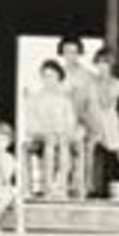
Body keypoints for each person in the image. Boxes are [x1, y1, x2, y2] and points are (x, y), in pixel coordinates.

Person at [22, 59, 78, 198]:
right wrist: (46, 131)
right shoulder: (35, 99)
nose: (48, 80)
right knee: (51, 140)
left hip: (60, 138)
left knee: (61, 141)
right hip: (39, 137)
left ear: (59, 78)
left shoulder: (65, 100)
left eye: (52, 76)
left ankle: (61, 186)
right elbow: (30, 124)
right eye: (45, 76)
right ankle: (48, 187)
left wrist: (63, 132)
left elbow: (70, 123)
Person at [86, 45, 119, 195]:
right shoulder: (91, 82)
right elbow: (88, 103)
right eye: (99, 63)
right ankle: (88, 184)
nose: (101, 66)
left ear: (111, 65)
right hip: (94, 118)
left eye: (105, 63)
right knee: (89, 149)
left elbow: (105, 102)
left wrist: (103, 82)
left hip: (109, 121)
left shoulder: (118, 83)